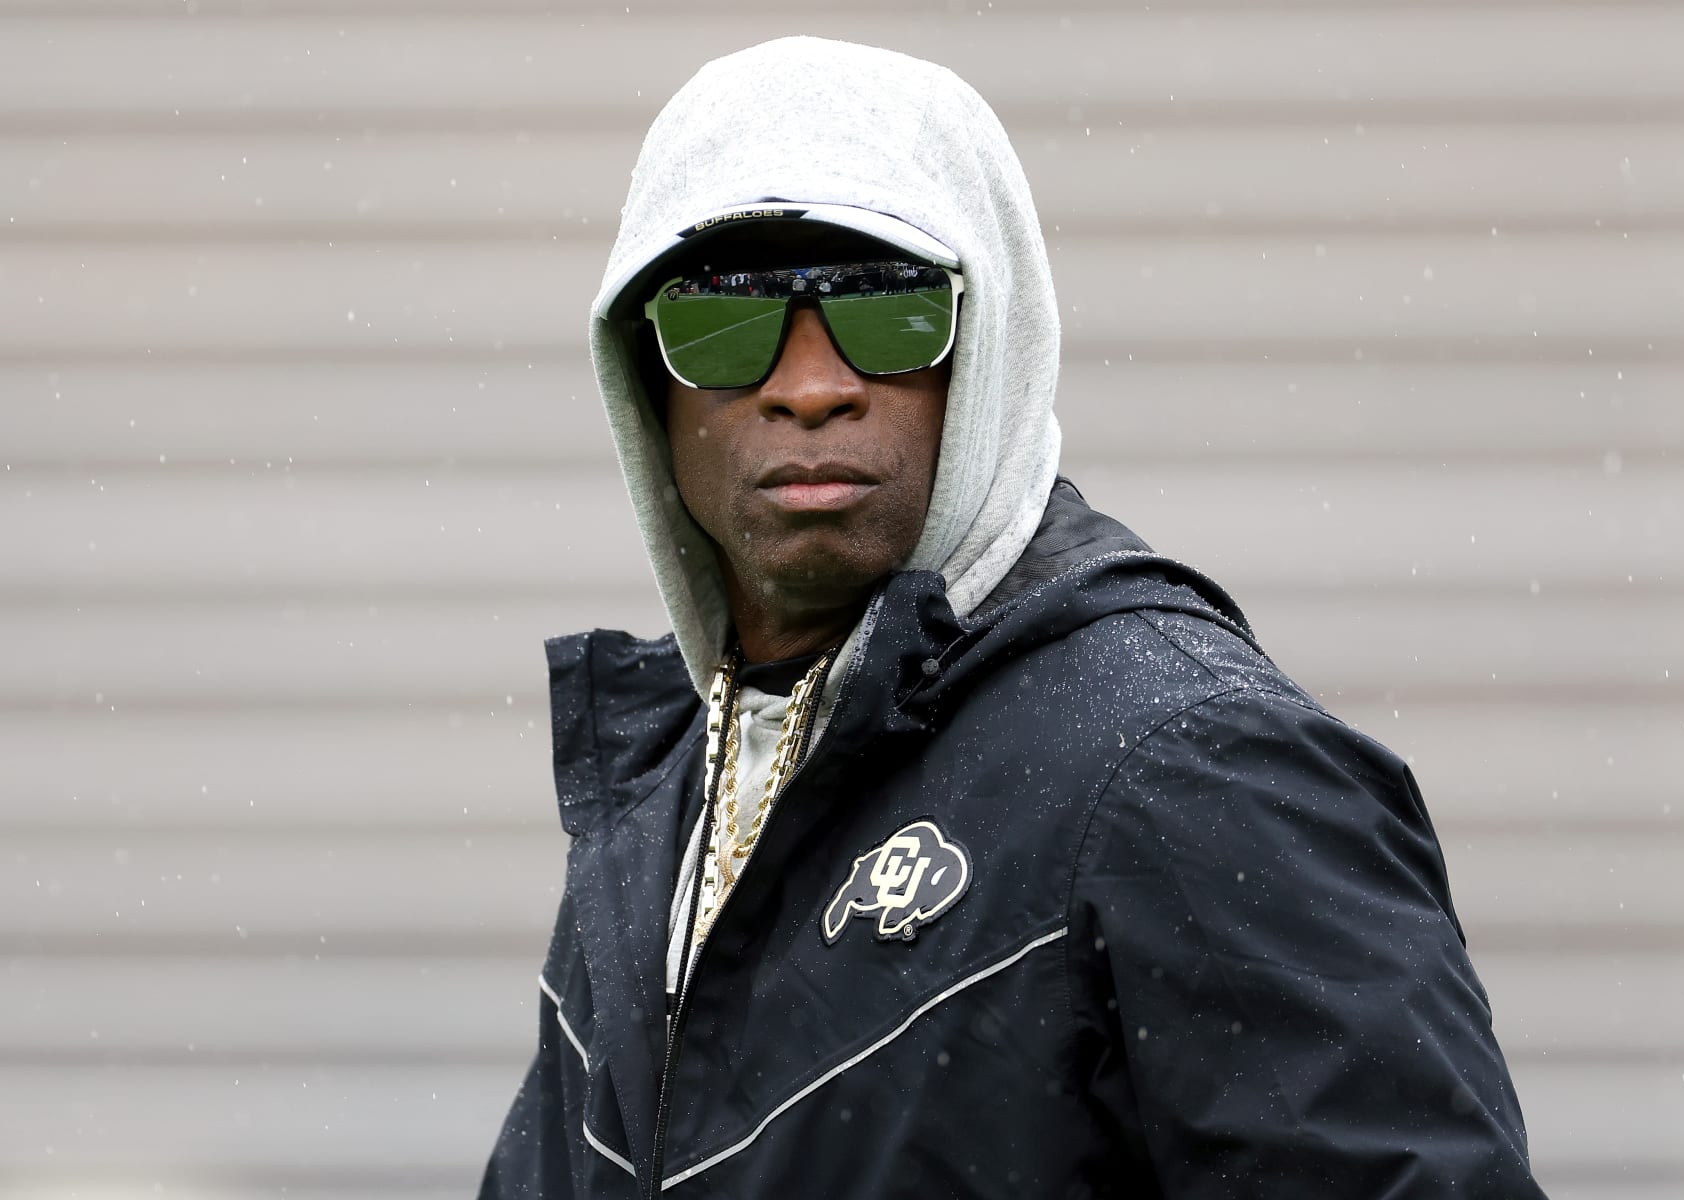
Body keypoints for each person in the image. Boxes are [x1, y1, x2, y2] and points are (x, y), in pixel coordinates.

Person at [480, 35, 1545, 1200]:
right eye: (722, 323)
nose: (809, 382)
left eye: (886, 309)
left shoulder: (1183, 763)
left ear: (988, 343)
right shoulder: (671, 800)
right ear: (645, 379)